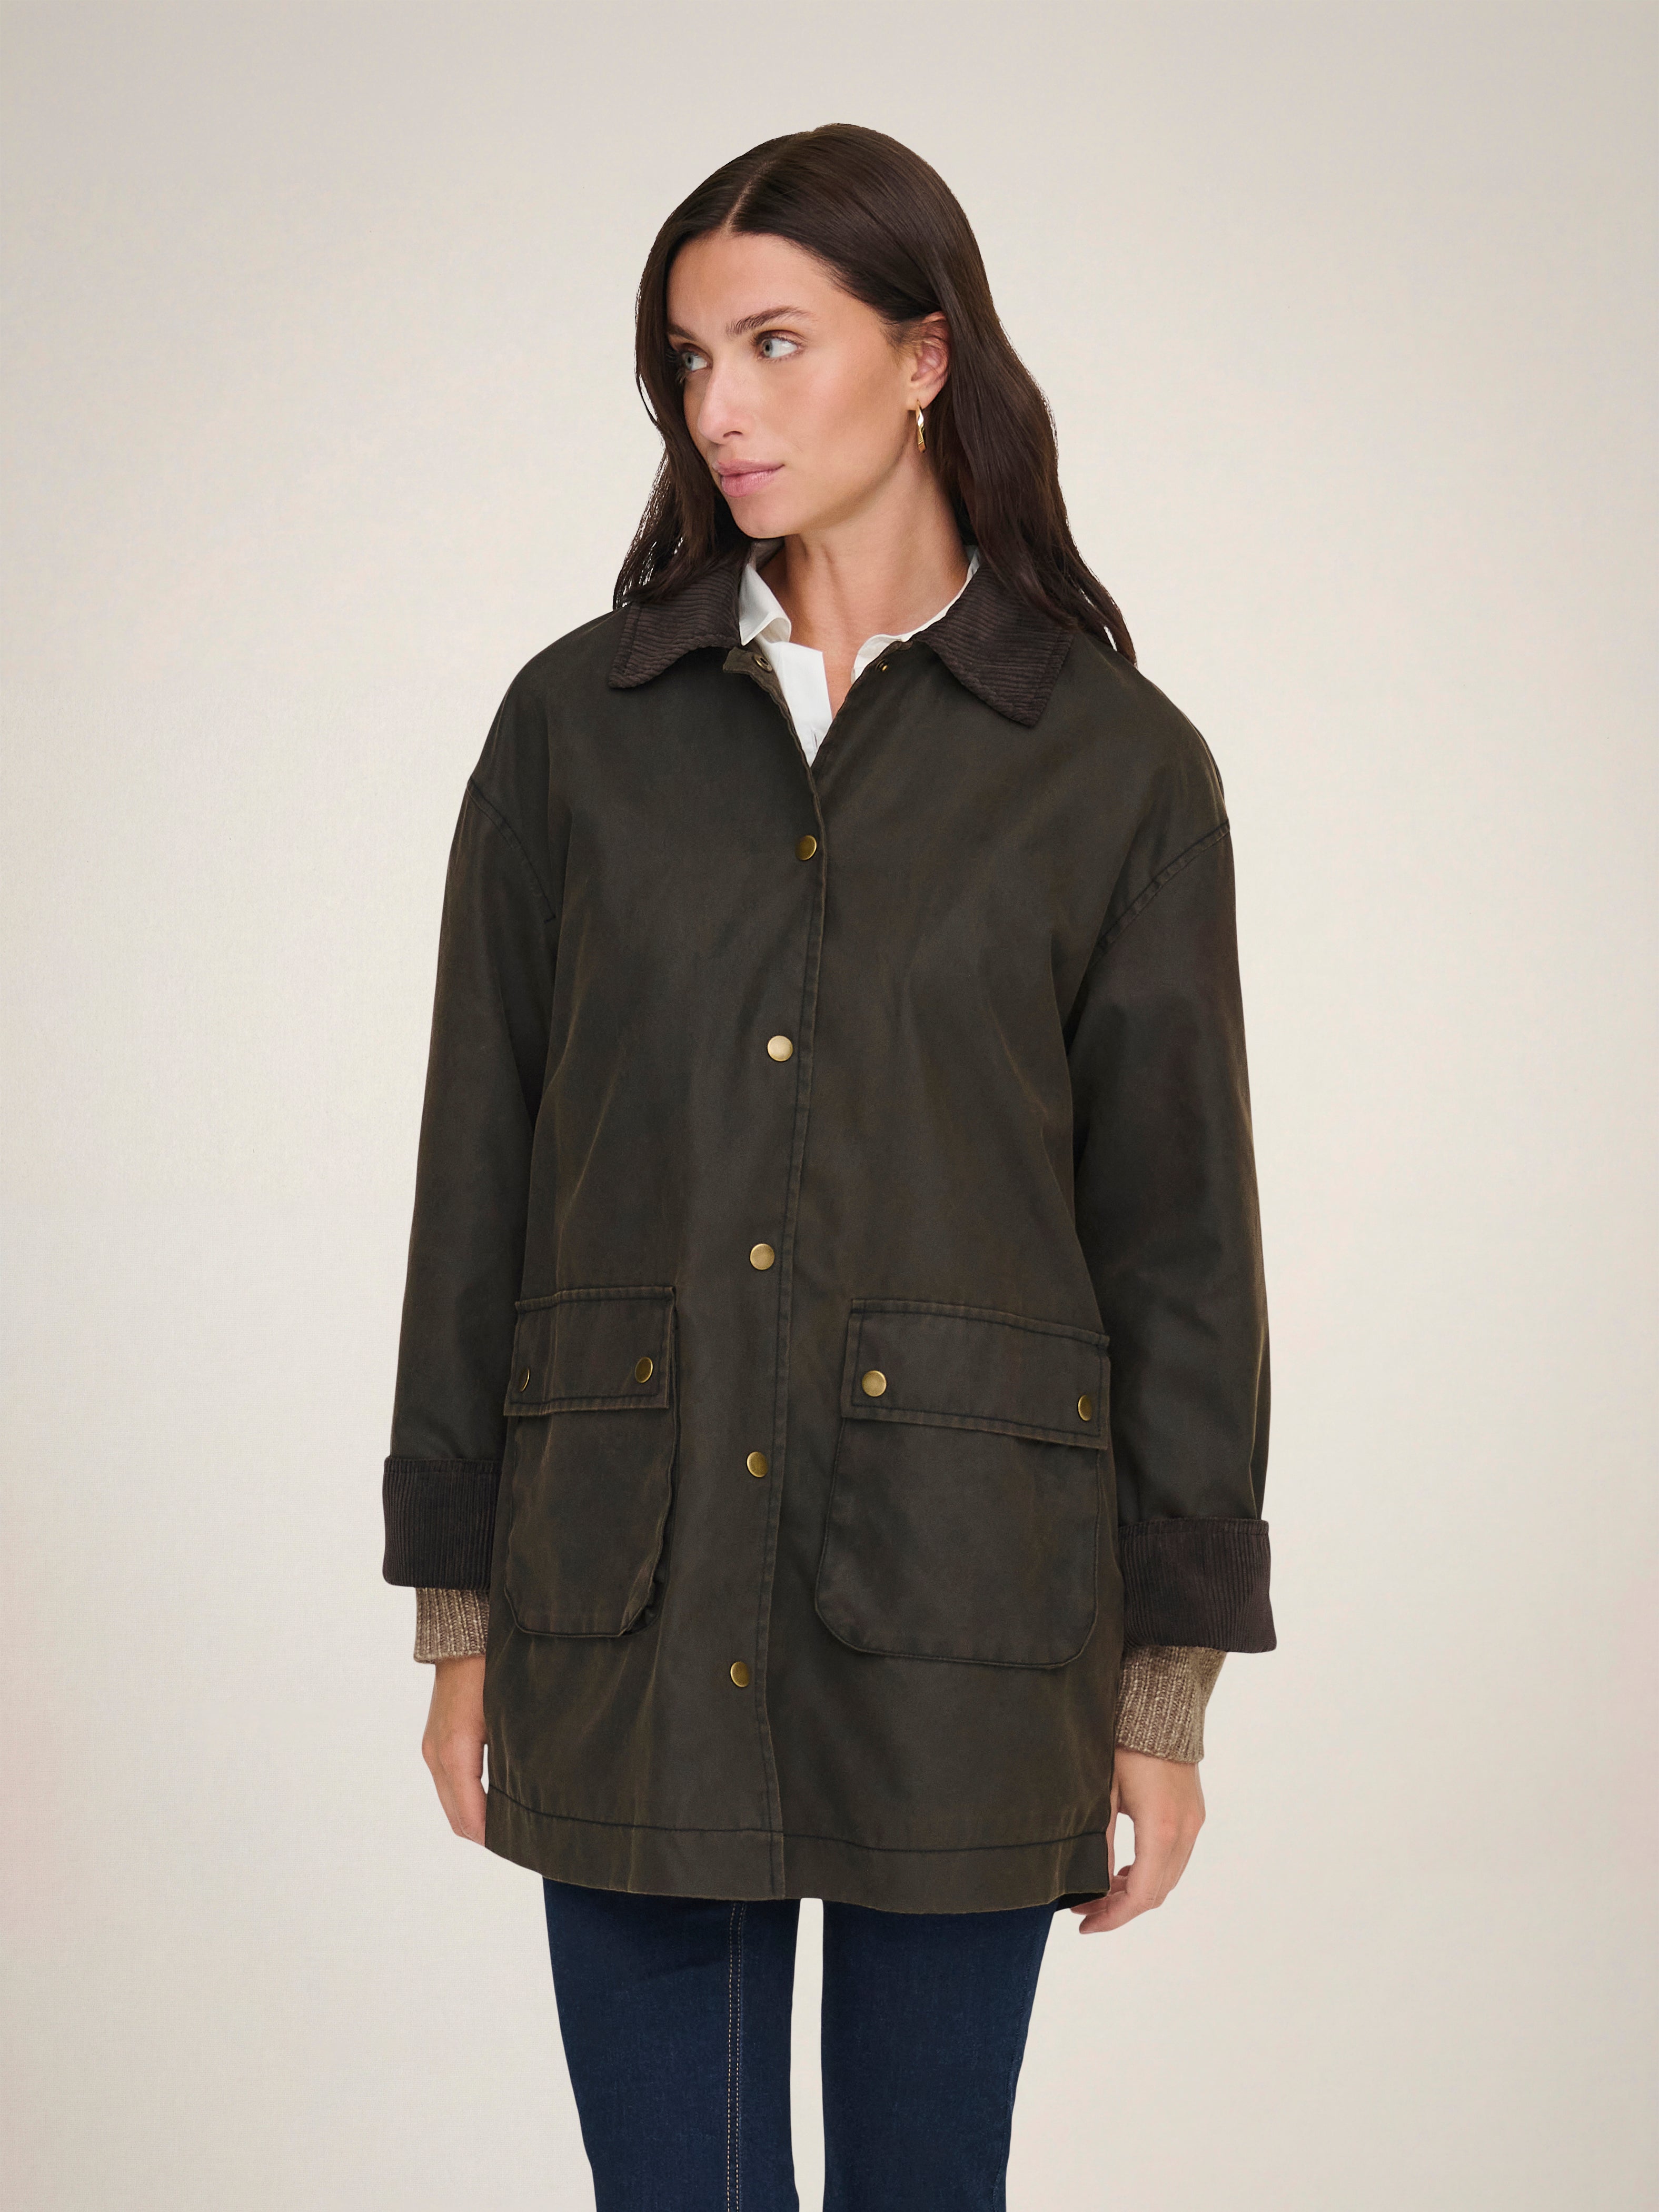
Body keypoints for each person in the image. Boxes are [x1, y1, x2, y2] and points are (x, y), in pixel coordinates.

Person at [382, 123, 1274, 2211]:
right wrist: (462, 1612)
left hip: (969, 1610)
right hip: (626, 1591)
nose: (721, 407)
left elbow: (1179, 1246)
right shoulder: (576, 733)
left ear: (924, 356)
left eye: (774, 343)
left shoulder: (1114, 768)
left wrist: (1164, 1690)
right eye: (689, 361)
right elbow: (475, 1176)